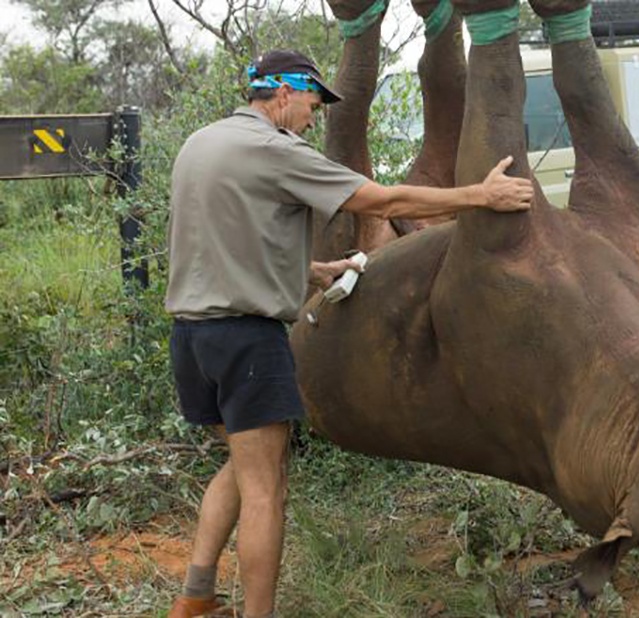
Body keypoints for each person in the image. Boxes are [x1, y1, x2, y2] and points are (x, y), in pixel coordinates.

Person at [164, 50, 533, 618]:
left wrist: (310, 273)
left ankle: (194, 597)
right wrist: (479, 197)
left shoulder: (201, 145)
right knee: (267, 487)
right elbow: (381, 200)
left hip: (191, 338)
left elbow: (222, 239)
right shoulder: (276, 151)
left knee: (242, 467)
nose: (314, 118)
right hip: (245, 341)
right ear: (283, 94)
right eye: (312, 103)